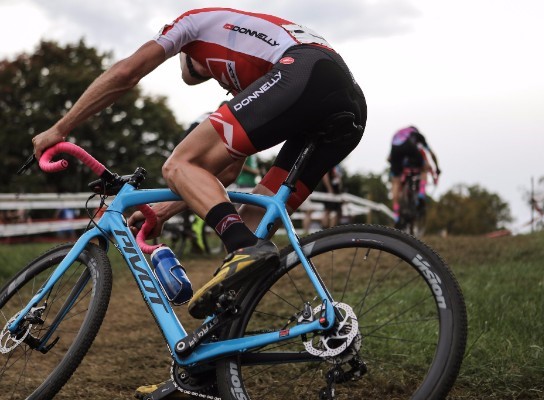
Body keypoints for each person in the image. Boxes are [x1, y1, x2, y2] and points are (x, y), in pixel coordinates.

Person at [31, 7, 366, 398]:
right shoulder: (246, 62)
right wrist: (164, 210)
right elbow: (223, 170)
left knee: (177, 164)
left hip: (305, 72)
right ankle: (205, 365)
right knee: (256, 211)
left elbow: (125, 74)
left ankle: (243, 246)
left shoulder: (192, 23)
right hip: (346, 101)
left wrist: (60, 128)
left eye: (195, 69)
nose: (202, 74)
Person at [388, 126, 440, 227]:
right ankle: (421, 195)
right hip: (409, 146)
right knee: (424, 168)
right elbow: (431, 154)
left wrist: (395, 169)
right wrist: (437, 167)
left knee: (396, 182)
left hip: (395, 150)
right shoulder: (416, 134)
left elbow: (389, 158)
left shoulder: (397, 133)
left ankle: (396, 215)